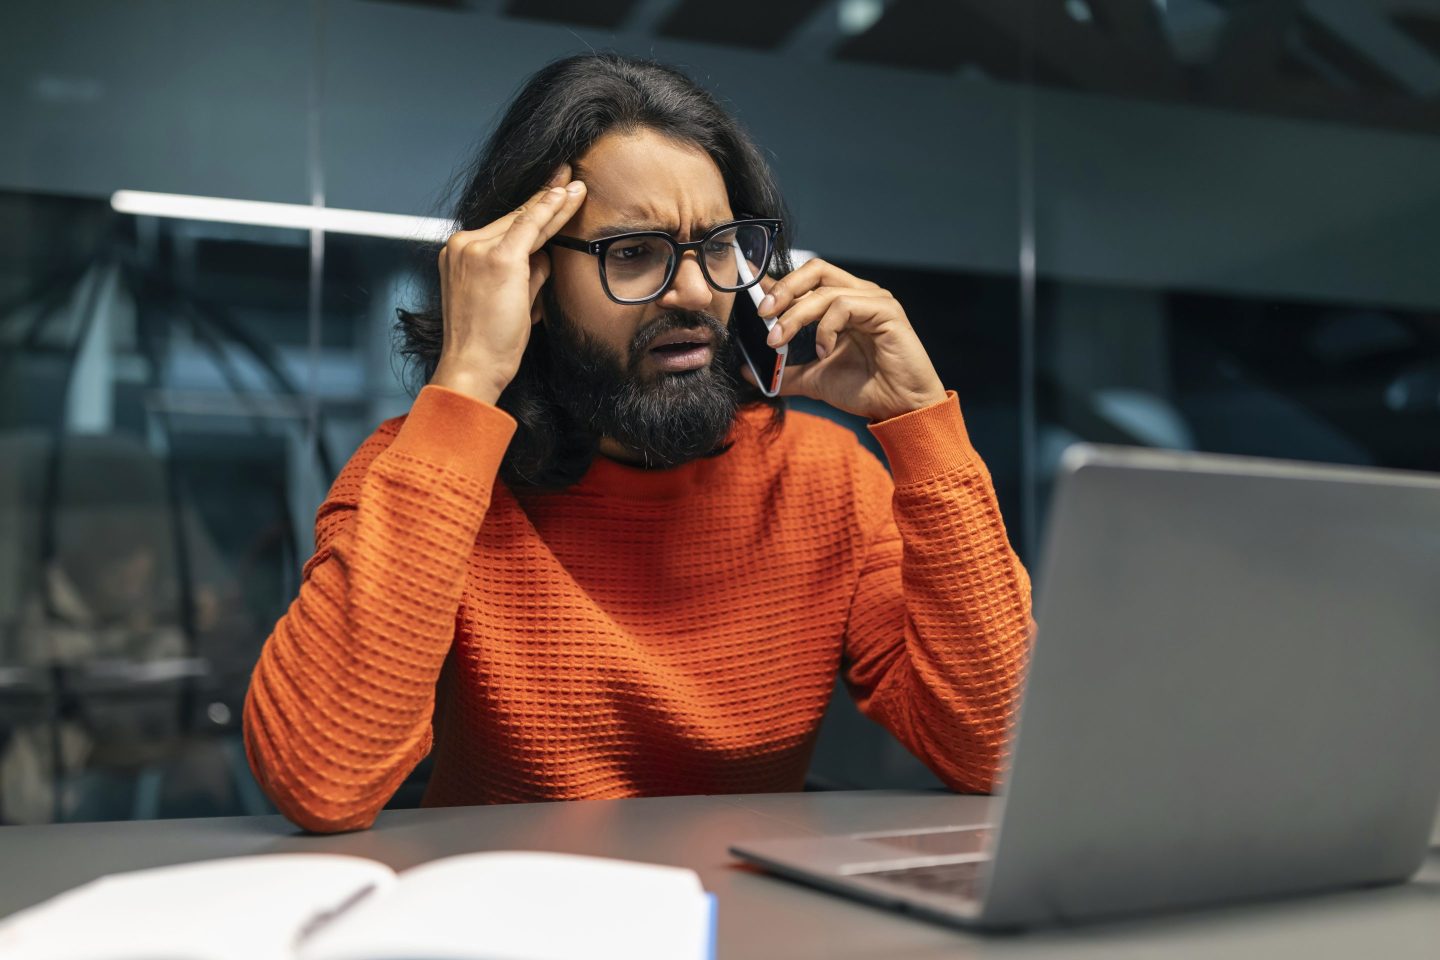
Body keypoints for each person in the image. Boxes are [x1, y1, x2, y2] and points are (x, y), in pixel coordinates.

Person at [242, 53, 1033, 833]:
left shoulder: (823, 479)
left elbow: (1002, 752)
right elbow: (320, 777)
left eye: (718, 246)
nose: (692, 291)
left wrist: (923, 425)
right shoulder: (427, 468)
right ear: (531, 280)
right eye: (633, 253)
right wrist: (469, 382)